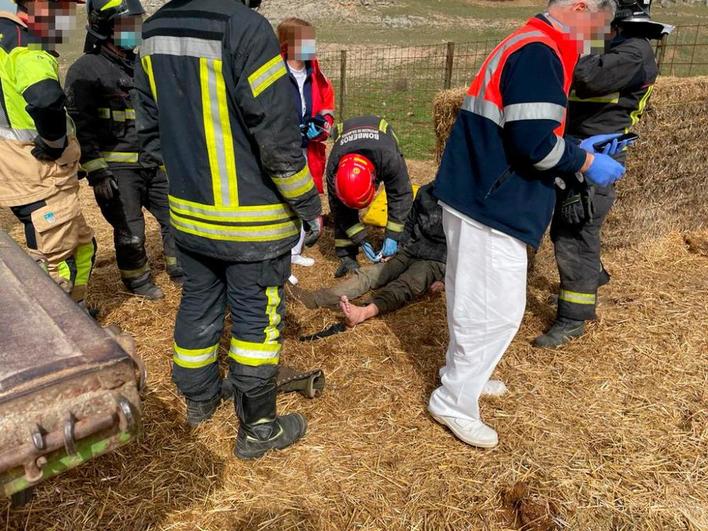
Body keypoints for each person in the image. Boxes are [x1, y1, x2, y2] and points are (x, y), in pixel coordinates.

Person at [430, 0, 627, 449]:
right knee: (495, 312)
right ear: (580, 7)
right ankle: (453, 400)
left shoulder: (528, 41)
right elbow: (534, 146)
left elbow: (527, 127)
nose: (601, 35)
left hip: (479, 190)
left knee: (472, 300)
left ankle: (464, 376)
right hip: (492, 201)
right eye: (601, 23)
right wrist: (587, 160)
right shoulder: (541, 52)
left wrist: (574, 144)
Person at [135, 0, 323, 459]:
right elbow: (277, 136)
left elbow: (149, 128)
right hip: (252, 224)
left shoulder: (154, 29)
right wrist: (307, 204)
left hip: (189, 217)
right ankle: (259, 428)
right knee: (256, 319)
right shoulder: (246, 28)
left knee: (199, 302)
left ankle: (199, 401)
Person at [534, 0, 670, 348]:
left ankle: (574, 317)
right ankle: (592, 277)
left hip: (597, 156)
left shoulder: (634, 53)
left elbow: (586, 78)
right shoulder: (620, 48)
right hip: (582, 149)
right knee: (572, 228)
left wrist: (575, 46)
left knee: (574, 233)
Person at [65, 0, 183, 301]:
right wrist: (97, 172)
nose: (135, 30)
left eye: (136, 22)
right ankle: (138, 280)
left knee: (177, 217)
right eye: (126, 25)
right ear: (106, 28)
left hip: (153, 162)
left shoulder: (140, 64)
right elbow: (81, 125)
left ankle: (179, 269)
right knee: (131, 229)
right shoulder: (85, 70)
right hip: (117, 171)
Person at [0, 0, 96, 306]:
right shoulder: (26, 48)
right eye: (64, 8)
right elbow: (45, 99)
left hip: (19, 172)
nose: (69, 17)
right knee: (58, 265)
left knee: (84, 247)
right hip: (38, 174)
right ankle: (71, 334)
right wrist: (55, 142)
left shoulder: (4, 37)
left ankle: (79, 318)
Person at [290, 182, 445, 326]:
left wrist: (445, 279)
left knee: (404, 285)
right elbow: (410, 223)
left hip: (436, 259)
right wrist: (397, 247)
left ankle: (363, 312)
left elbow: (466, 248)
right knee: (370, 274)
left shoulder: (462, 203)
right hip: (411, 249)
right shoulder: (426, 191)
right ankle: (315, 299)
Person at [277, 17, 334, 269]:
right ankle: (281, 259)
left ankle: (295, 252)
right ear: (287, 44)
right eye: (304, 40)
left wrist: (323, 125)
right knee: (282, 199)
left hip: (308, 149)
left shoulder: (314, 72)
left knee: (305, 195)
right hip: (281, 149)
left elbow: (326, 105)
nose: (310, 45)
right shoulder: (276, 72)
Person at [326, 115, 413, 278]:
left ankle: (398, 247)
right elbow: (338, 208)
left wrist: (393, 236)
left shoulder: (389, 159)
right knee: (341, 207)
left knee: (400, 204)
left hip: (381, 137)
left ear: (374, 179)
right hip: (347, 142)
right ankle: (346, 255)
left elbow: (401, 196)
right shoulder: (334, 167)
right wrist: (359, 237)